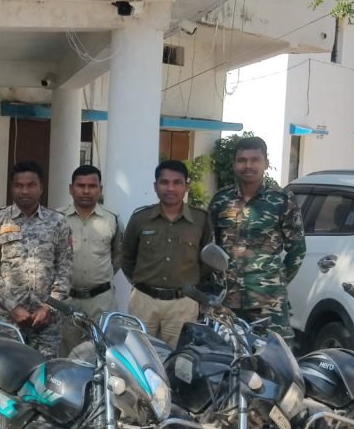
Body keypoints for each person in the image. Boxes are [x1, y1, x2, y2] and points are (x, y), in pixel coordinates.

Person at [209, 136, 306, 344]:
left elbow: (297, 249)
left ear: (266, 163)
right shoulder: (221, 200)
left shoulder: (281, 199)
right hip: (228, 301)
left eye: (255, 160)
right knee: (226, 356)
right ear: (234, 164)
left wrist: (275, 281)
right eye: (242, 160)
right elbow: (212, 247)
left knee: (275, 357)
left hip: (269, 303)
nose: (248, 165)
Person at [0, 161, 73, 358]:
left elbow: (64, 268)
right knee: (7, 371)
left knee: (46, 372)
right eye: (19, 185)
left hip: (47, 322)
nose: (24, 191)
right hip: (7, 320)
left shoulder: (58, 222)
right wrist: (12, 307)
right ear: (11, 188)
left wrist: (49, 307)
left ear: (41, 187)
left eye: (31, 185)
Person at [122, 160, 213, 347]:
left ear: (186, 186)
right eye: (164, 182)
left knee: (177, 356)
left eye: (177, 182)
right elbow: (126, 257)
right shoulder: (140, 218)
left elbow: (206, 261)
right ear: (155, 186)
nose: (170, 188)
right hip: (144, 301)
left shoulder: (201, 220)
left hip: (182, 304)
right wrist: (143, 283)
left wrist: (190, 286)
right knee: (138, 353)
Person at [58, 165, 122, 355]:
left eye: (92, 186)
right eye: (80, 185)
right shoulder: (57, 219)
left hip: (101, 301)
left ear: (100, 189)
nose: (86, 191)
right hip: (66, 300)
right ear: (71, 189)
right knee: (67, 354)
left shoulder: (112, 220)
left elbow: (119, 256)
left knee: (102, 353)